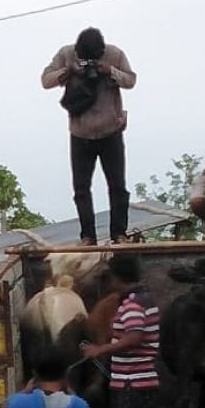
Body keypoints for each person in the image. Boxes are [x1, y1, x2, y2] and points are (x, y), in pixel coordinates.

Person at [42, 27, 137, 246]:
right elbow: (46, 80)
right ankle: (87, 236)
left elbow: (131, 80)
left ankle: (119, 233)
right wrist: (68, 71)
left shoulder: (114, 54)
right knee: (81, 188)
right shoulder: (67, 54)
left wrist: (110, 71)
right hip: (80, 132)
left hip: (110, 131)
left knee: (117, 186)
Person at [81, 253, 160, 408]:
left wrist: (99, 350)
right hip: (125, 378)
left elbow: (135, 337)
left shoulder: (134, 304)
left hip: (134, 381)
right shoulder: (138, 300)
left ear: (117, 278)